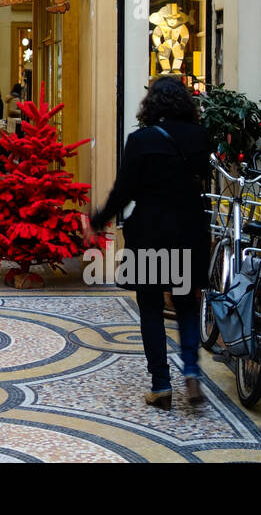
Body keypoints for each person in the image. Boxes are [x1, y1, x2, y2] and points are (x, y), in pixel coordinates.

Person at [86, 75, 210, 410]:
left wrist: (98, 220)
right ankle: (193, 372)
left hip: (152, 232)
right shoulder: (199, 137)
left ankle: (161, 385)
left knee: (152, 306)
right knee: (186, 303)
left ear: (151, 103)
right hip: (189, 229)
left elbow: (123, 191)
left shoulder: (140, 140)